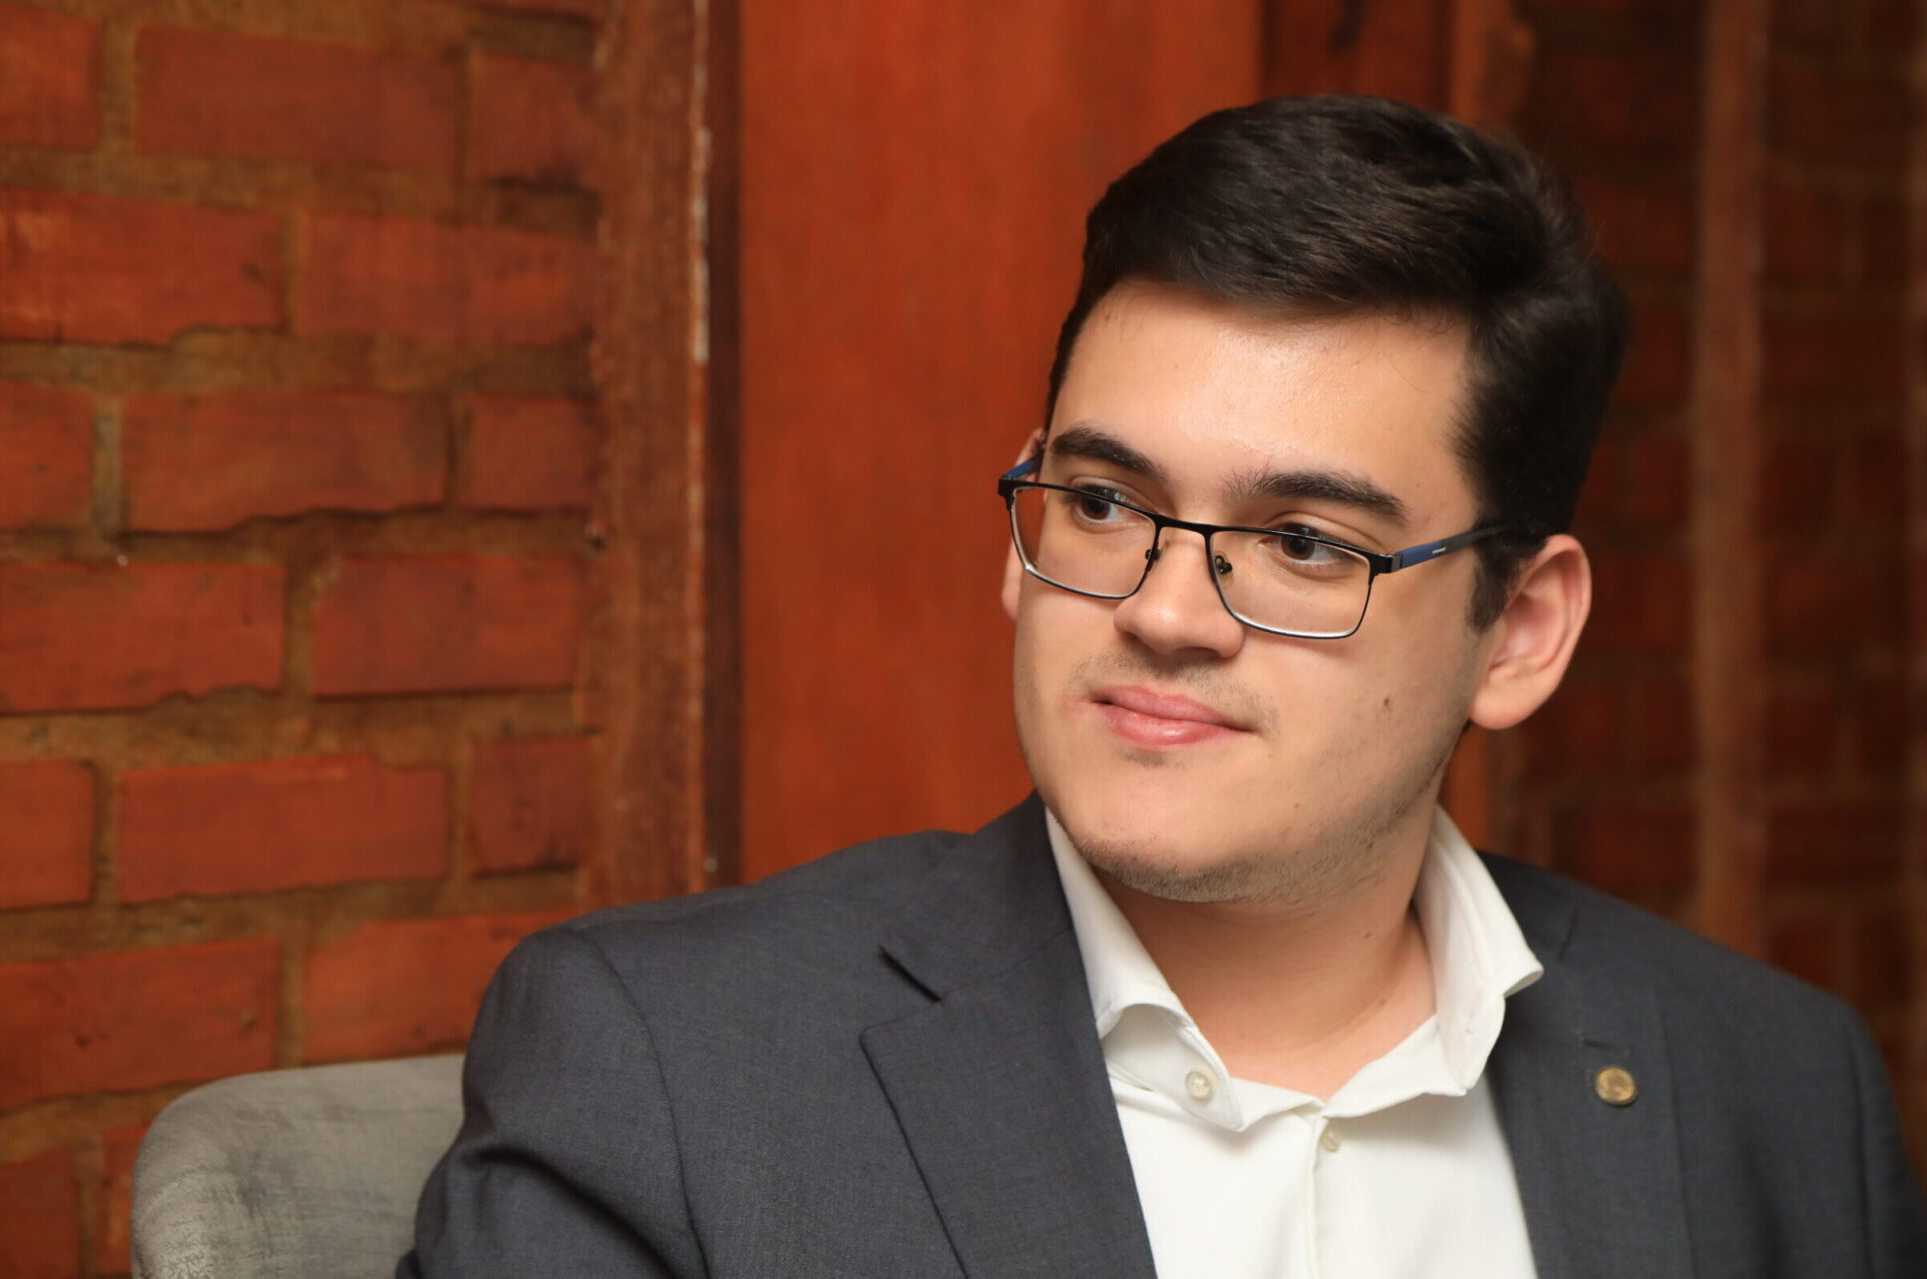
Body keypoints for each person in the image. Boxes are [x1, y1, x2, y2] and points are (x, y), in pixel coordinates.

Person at [400, 95, 1926, 1277]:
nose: (1166, 613)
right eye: (1104, 503)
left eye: (1306, 543)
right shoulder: (668, 1071)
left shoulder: (1778, 1094)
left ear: (1519, 631)